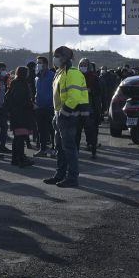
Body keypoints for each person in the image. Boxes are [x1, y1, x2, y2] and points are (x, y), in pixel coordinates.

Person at [44, 46, 90, 188]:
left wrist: (63, 113)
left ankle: (72, 177)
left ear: (64, 57)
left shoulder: (72, 73)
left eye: (57, 56)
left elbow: (74, 97)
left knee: (69, 148)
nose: (55, 59)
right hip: (60, 115)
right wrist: (57, 114)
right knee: (60, 147)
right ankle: (60, 174)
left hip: (69, 116)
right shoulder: (60, 72)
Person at [5, 66, 35, 167]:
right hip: (21, 114)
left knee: (18, 137)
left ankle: (16, 158)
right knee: (20, 138)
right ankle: (20, 159)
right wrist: (30, 105)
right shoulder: (21, 84)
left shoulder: (14, 83)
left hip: (16, 114)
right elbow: (21, 100)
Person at [76, 58, 101, 159]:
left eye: (85, 64)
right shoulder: (76, 76)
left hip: (90, 108)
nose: (83, 66)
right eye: (81, 64)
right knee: (77, 132)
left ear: (89, 66)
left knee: (91, 131)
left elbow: (99, 91)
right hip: (77, 108)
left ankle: (93, 151)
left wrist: (90, 90)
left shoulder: (94, 77)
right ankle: (76, 152)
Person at [33, 56, 55, 158]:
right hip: (39, 107)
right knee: (41, 130)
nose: (38, 65)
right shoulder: (36, 77)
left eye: (40, 63)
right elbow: (37, 92)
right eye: (37, 63)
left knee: (52, 129)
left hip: (50, 107)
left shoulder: (52, 76)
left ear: (46, 64)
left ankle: (54, 149)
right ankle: (43, 149)